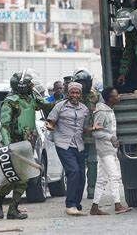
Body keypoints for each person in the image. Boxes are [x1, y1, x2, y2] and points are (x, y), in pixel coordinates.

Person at [0, 71, 52, 220]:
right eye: (29, 84)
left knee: (24, 178)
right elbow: (4, 126)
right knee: (13, 177)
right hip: (14, 145)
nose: (32, 85)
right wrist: (8, 146)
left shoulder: (31, 97)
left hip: (28, 143)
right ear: (22, 86)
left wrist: (60, 99)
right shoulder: (10, 101)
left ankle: (13, 209)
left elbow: (45, 105)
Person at [46, 82, 90, 216]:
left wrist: (95, 128)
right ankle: (70, 205)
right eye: (72, 92)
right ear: (68, 93)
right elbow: (50, 122)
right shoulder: (60, 106)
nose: (75, 95)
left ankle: (76, 204)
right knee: (73, 171)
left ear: (80, 94)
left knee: (82, 175)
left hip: (79, 144)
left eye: (77, 93)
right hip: (63, 144)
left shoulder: (84, 109)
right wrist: (49, 127)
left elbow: (85, 128)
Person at [90, 87, 131, 215]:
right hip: (105, 149)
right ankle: (118, 205)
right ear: (109, 98)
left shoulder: (108, 110)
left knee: (101, 179)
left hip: (108, 149)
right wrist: (111, 137)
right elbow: (96, 132)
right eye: (116, 95)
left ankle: (94, 207)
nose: (118, 97)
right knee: (115, 176)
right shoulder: (101, 112)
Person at [72, 69, 100, 199]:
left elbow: (104, 111)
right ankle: (77, 191)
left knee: (93, 162)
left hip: (92, 135)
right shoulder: (72, 96)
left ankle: (92, 190)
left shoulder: (96, 95)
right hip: (76, 137)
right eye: (79, 83)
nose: (82, 86)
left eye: (84, 83)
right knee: (77, 165)